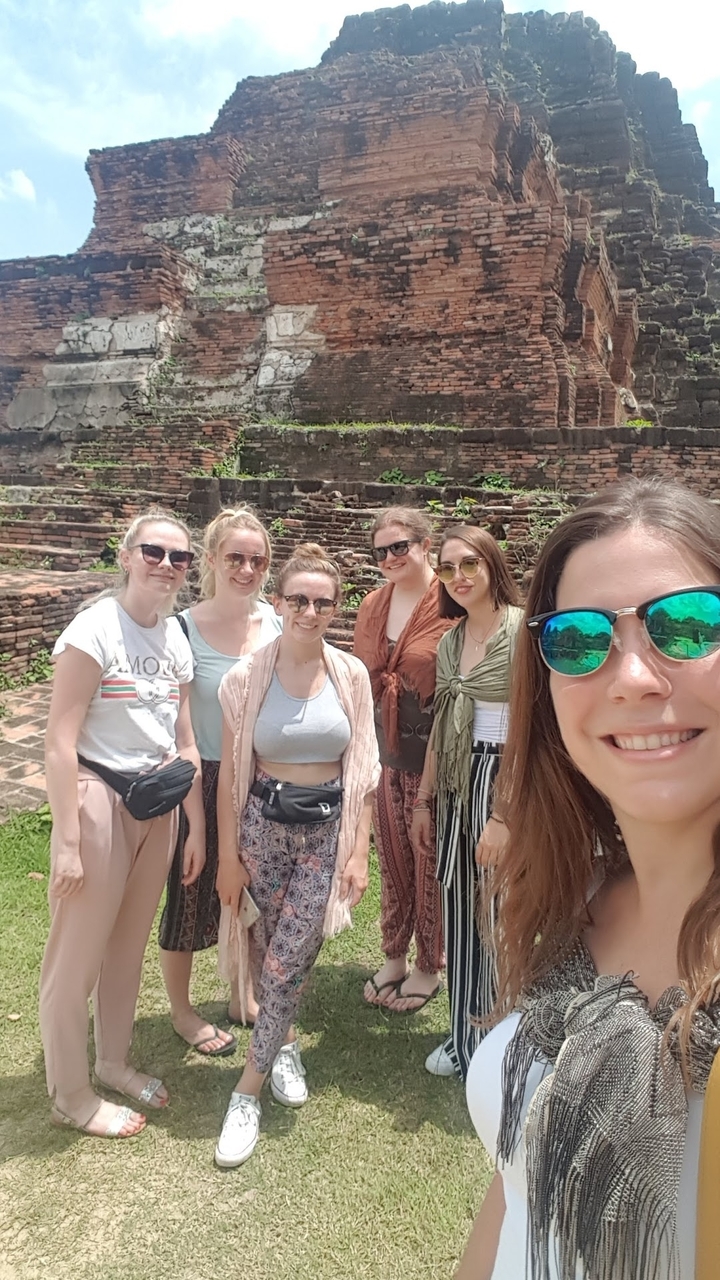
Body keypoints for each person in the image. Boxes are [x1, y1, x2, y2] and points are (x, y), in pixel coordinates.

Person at [459, 476, 720, 1280]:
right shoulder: (578, 903)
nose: (633, 676)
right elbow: (520, 1183)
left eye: (688, 624)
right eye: (578, 638)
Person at [214, 542, 380, 1168]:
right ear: (278, 602)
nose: (310, 610)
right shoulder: (244, 678)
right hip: (262, 825)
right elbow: (232, 773)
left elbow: (363, 768)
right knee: (264, 948)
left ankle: (246, 1091)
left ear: (335, 607)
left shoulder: (350, 675)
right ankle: (280, 1046)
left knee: (290, 956)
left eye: (322, 601)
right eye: (298, 599)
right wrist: (229, 859)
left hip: (325, 829)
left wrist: (358, 851)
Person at [40, 509, 204, 1139]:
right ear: (128, 556)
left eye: (179, 557)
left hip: (154, 806)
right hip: (97, 796)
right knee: (75, 958)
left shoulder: (173, 638)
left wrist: (192, 825)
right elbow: (58, 739)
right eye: (154, 552)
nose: (166, 565)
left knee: (127, 948)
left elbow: (183, 742)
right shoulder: (95, 629)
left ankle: (111, 1060)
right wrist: (67, 838)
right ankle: (70, 1092)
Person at [158, 507, 281, 1056]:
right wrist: (195, 822)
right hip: (201, 775)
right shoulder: (182, 630)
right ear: (211, 560)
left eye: (257, 559)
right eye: (235, 557)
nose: (247, 569)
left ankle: (242, 992)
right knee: (190, 892)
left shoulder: (275, 623)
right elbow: (176, 725)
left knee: (252, 889)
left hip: (260, 775)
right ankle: (183, 1011)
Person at [412, 526, 522, 1079]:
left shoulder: (521, 633)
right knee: (458, 909)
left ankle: (504, 1041)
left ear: (492, 564)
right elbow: (439, 724)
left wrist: (503, 816)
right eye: (449, 567)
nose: (460, 577)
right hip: (456, 782)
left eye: (470, 564)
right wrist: (423, 801)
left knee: (503, 915)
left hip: (506, 780)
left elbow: (531, 733)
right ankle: (463, 1035)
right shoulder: (451, 641)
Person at [353, 507, 452, 1013]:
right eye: (381, 551)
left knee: (429, 860)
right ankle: (394, 952)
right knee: (392, 860)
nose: (390, 558)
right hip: (387, 752)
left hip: (435, 756)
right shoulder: (374, 604)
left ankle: (429, 964)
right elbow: (361, 679)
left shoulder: (451, 602)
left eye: (400, 547)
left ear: (424, 544)